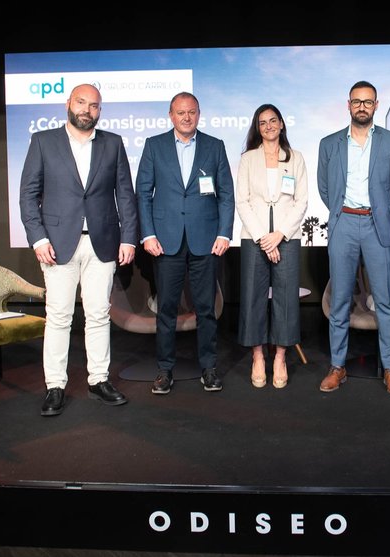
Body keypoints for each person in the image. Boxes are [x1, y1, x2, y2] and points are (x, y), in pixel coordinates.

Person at [19, 83, 138, 417]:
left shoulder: (113, 144)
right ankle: (55, 386)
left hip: (103, 241)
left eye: (95, 105)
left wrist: (128, 238)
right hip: (57, 244)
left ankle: (98, 380)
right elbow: (28, 194)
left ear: (100, 110)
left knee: (99, 313)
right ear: (68, 104)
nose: (88, 109)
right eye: (82, 103)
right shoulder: (43, 141)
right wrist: (38, 238)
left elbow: (125, 195)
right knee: (59, 316)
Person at [135, 92, 235, 394]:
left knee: (206, 308)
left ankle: (208, 368)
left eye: (191, 112)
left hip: (205, 240)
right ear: (171, 115)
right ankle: (165, 370)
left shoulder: (215, 147)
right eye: (180, 112)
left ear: (199, 114)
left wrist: (224, 233)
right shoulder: (154, 146)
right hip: (165, 241)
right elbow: (143, 193)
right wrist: (148, 234)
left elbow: (226, 194)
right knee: (166, 308)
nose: (186, 117)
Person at [317, 80, 390, 396]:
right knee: (340, 300)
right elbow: (325, 188)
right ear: (348, 105)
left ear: (376, 105)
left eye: (367, 102)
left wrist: (381, 213)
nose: (362, 106)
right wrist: (341, 213)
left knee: (386, 301)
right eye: (357, 101)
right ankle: (337, 366)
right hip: (344, 224)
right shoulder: (329, 144)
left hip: (376, 225)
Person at [235, 104, 308, 389]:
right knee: (253, 296)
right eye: (262, 122)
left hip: (286, 238)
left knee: (286, 298)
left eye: (272, 120)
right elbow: (242, 201)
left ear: (281, 124)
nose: (268, 126)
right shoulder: (248, 159)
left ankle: (279, 356)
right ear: (257, 127)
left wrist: (279, 235)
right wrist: (262, 238)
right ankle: (257, 356)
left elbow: (301, 201)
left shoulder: (296, 158)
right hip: (254, 238)